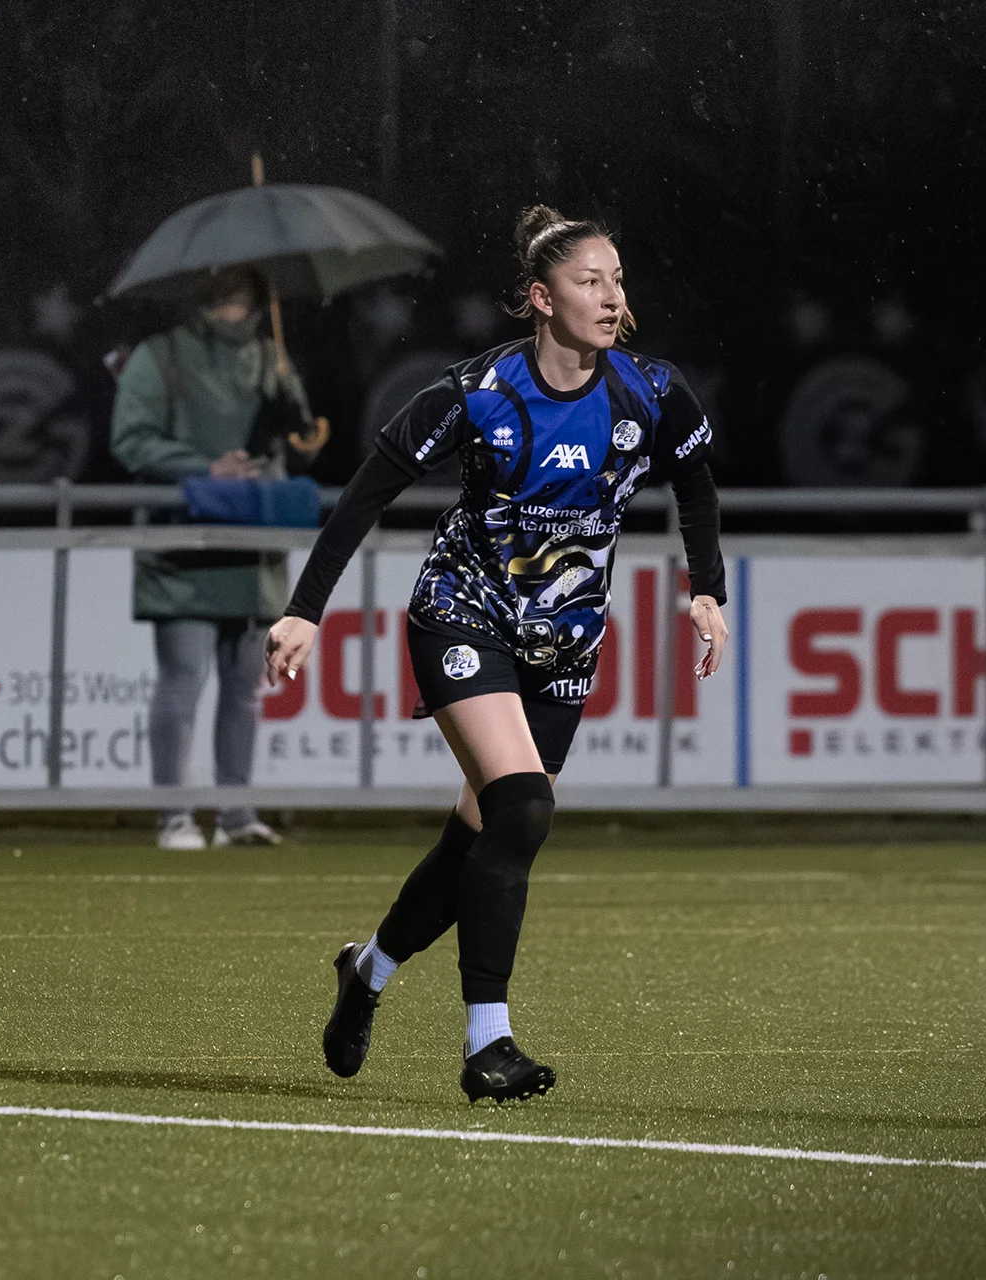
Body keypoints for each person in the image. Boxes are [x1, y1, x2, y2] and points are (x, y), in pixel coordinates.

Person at [266, 205, 729, 1102]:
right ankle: (490, 1045)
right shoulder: (476, 392)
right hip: (461, 614)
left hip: (565, 640)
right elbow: (367, 493)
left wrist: (705, 588)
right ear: (541, 298)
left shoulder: (651, 390)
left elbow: (696, 484)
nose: (612, 296)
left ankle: (367, 970)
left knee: (480, 838)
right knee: (522, 811)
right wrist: (304, 611)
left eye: (617, 279)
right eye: (590, 281)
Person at [110, 268, 316, 851]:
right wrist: (205, 468)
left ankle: (236, 815)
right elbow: (130, 439)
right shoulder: (161, 356)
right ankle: (173, 816)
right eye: (222, 294)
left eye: (243, 294)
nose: (233, 305)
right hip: (185, 543)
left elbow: (294, 448)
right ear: (200, 296)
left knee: (244, 690)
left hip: (253, 543)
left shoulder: (272, 357)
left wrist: (300, 436)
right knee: (182, 682)